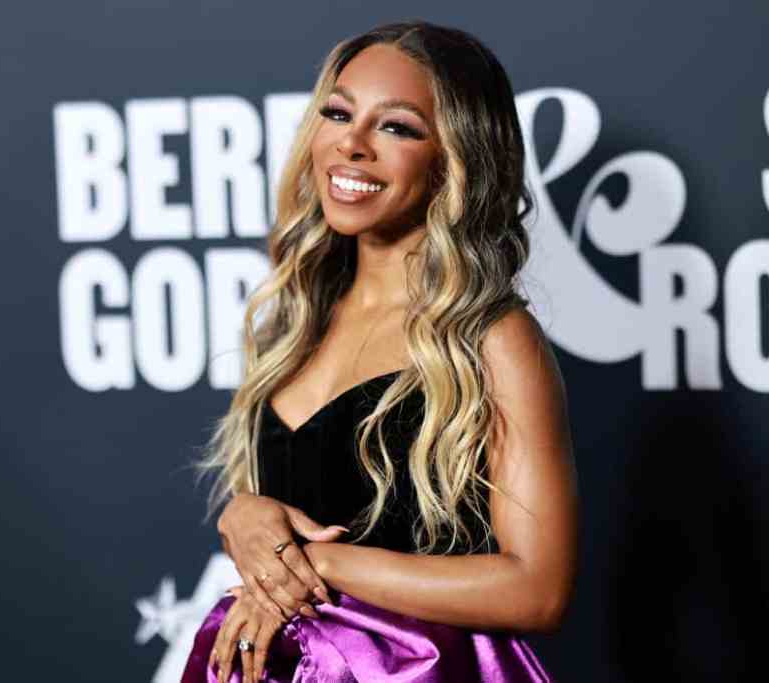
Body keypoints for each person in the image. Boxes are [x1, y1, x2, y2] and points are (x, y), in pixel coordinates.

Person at [182, 19, 578, 683]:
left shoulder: (493, 337)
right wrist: (243, 513)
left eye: (396, 127)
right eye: (338, 113)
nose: (351, 144)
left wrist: (320, 563)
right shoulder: (296, 320)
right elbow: (294, 507)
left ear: (457, 158)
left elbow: (537, 588)